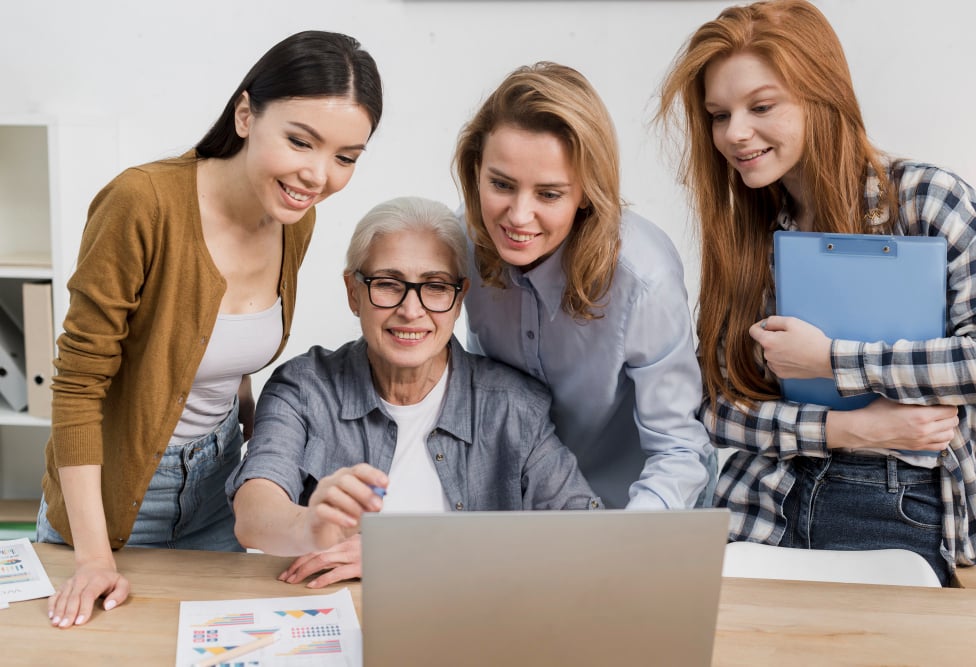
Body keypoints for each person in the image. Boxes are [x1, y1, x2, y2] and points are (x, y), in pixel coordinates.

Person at [37, 30, 383, 627]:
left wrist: (267, 460)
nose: (317, 175)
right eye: (301, 141)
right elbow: (77, 388)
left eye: (345, 157)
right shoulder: (141, 203)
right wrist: (94, 558)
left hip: (216, 486)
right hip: (116, 495)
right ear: (246, 114)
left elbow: (220, 354)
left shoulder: (293, 220)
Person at [657, 0, 976, 584]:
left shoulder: (924, 201)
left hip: (899, 503)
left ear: (823, 95)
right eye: (719, 114)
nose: (734, 133)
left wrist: (834, 360)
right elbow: (712, 409)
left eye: (760, 106)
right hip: (760, 500)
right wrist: (846, 429)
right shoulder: (746, 232)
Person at [227, 196, 601, 588]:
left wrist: (404, 554)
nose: (411, 309)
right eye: (388, 284)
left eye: (436, 287)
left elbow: (587, 537)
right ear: (353, 292)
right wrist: (309, 525)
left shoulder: (514, 406)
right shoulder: (304, 387)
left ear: (459, 298)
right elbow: (254, 514)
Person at [455, 62, 713, 510]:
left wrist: (622, 551)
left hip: (628, 515)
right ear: (475, 170)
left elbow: (678, 450)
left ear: (586, 194)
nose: (517, 216)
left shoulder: (643, 277)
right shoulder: (462, 243)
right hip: (517, 515)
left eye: (549, 194)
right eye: (501, 184)